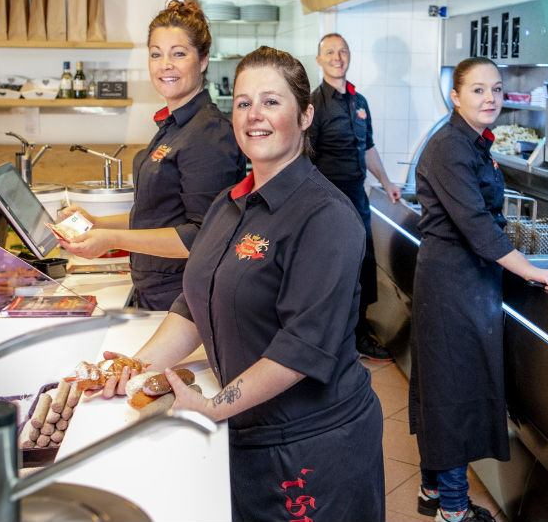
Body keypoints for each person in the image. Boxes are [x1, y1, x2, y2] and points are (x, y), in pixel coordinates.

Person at [95, 46, 384, 521]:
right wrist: (136, 366)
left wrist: (213, 406)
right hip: (247, 426)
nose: (254, 115)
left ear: (305, 115)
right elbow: (196, 302)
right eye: (244, 103)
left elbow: (300, 348)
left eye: (271, 102)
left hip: (310, 442)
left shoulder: (326, 216)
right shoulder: (228, 204)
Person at [409, 56, 548, 522]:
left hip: (465, 279)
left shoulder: (473, 142)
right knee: (453, 392)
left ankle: (433, 491)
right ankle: (454, 510)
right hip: (452, 284)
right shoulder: (450, 147)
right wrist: (532, 271)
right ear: (455, 96)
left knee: (442, 387)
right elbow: (478, 226)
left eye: (496, 89)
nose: (490, 98)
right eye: (478, 90)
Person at [58, 0, 247, 310]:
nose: (165, 65)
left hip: (184, 298)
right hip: (155, 290)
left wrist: (112, 240)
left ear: (202, 61)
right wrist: (97, 224)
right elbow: (160, 216)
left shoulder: (209, 134)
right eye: (156, 54)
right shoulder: (174, 126)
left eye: (178, 54)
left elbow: (203, 236)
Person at [310, 32, 401, 361]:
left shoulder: (359, 102)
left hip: (357, 199)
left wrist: (387, 182)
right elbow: (305, 156)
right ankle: (328, 339)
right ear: (319, 60)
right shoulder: (314, 105)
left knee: (362, 264)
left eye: (343, 51)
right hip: (327, 201)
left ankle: (359, 334)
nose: (337, 57)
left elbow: (368, 148)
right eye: (330, 52)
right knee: (330, 270)